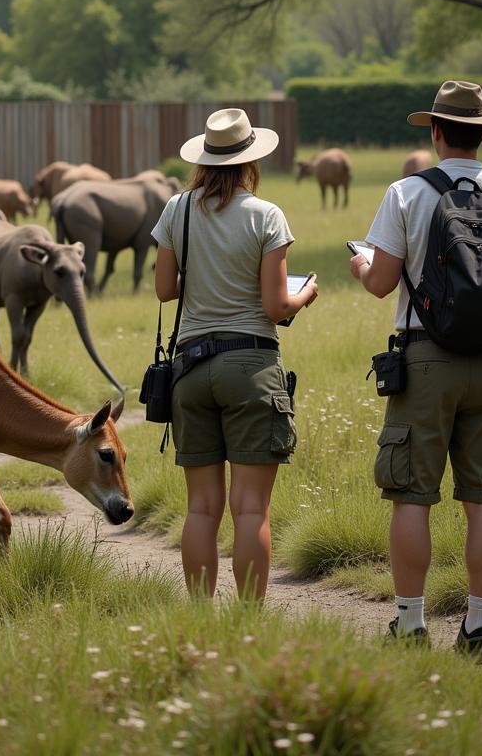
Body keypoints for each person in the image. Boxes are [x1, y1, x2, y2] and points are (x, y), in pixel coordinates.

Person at [349, 81, 482, 662]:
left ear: (435, 132)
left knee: (412, 495)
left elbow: (382, 281)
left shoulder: (406, 193)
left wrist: (361, 263)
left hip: (423, 359)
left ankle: (410, 626)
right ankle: (479, 629)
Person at [152, 108, 318, 600]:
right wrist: (306, 292)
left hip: (191, 369)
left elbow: (165, 289)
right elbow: (274, 305)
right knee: (250, 510)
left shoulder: (176, 209)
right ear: (251, 160)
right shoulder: (267, 215)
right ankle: (248, 621)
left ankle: (202, 615)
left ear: (204, 159)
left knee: (201, 509)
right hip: (250, 366)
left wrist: (202, 275)